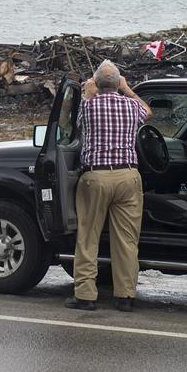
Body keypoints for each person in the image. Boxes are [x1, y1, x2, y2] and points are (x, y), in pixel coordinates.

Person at [65, 59, 151, 312]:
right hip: (128, 176)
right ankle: (125, 295)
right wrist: (128, 89)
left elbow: (74, 123)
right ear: (118, 83)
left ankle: (85, 294)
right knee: (126, 241)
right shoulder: (131, 106)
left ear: (98, 84)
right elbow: (148, 112)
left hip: (96, 177)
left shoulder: (89, 106)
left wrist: (88, 89)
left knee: (88, 238)